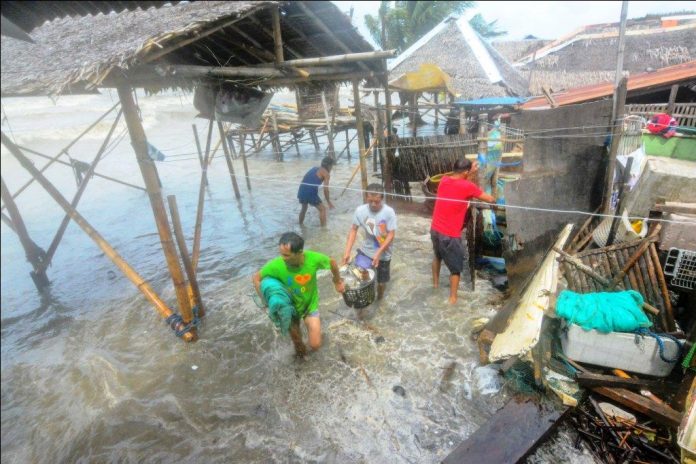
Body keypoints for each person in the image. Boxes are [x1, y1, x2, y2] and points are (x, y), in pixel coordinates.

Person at [253, 232, 344, 356]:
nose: (283, 258)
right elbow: (256, 278)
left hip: (309, 305)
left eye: (287, 255)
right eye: (281, 254)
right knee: (299, 346)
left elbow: (332, 263)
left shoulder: (313, 259)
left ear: (299, 252)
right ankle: (301, 365)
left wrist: (337, 281)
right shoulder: (276, 265)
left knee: (315, 345)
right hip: (290, 308)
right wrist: (266, 301)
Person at [430, 159, 495, 304]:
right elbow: (489, 198)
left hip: (435, 229)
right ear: (466, 172)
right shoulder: (468, 186)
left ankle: (435, 285)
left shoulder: (444, 180)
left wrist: (469, 171)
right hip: (450, 234)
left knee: (437, 256)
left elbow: (457, 177)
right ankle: (453, 299)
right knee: (456, 269)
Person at [342, 183, 397, 301]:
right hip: (365, 251)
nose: (373, 204)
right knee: (359, 278)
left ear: (382, 198)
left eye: (376, 201)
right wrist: (347, 252)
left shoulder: (389, 212)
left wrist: (378, 253)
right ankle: (362, 308)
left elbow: (391, 235)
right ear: (366, 197)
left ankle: (379, 300)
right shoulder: (360, 211)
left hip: (384, 254)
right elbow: (353, 230)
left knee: (381, 284)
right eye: (370, 200)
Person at [297, 157, 335, 227]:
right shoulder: (326, 174)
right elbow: (326, 189)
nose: (332, 168)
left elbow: (306, 179)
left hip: (301, 189)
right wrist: (328, 202)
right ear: (329, 166)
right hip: (310, 192)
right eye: (332, 166)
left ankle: (300, 225)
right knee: (322, 209)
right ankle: (324, 230)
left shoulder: (314, 168)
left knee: (304, 208)